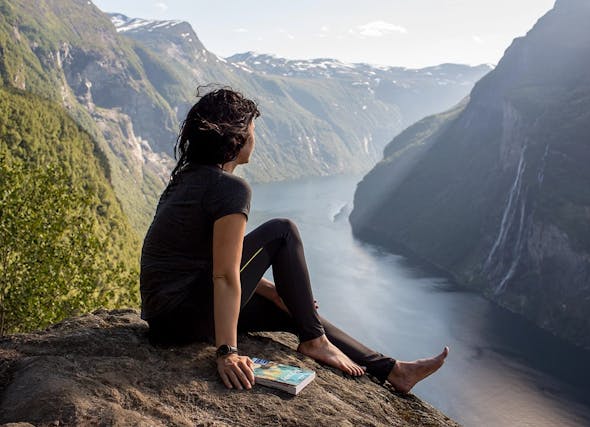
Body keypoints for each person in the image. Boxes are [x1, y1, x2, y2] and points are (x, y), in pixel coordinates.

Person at [140, 86, 449, 392]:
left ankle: (393, 371)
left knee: (292, 311)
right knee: (282, 230)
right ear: (238, 138)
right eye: (252, 129)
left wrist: (274, 292)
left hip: (166, 320)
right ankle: (315, 340)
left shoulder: (186, 179)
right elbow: (223, 274)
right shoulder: (230, 189)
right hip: (185, 315)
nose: (255, 137)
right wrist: (227, 353)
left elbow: (210, 259)